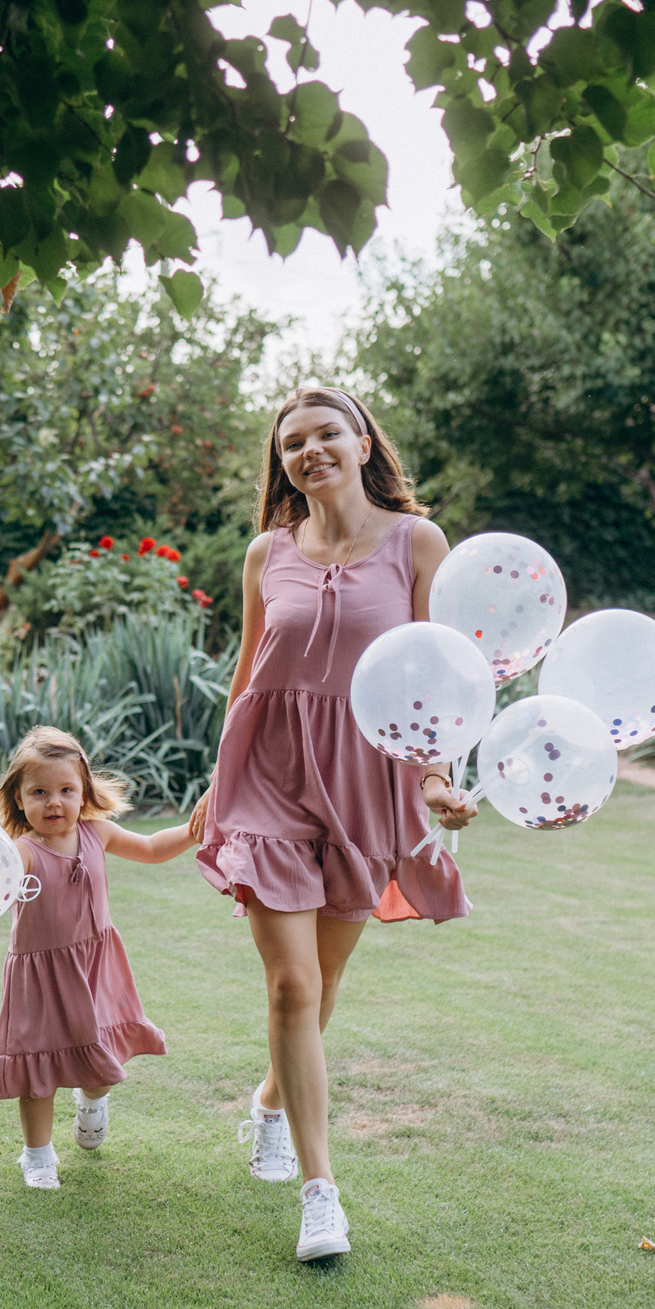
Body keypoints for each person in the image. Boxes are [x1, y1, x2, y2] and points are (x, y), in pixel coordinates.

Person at [194, 387, 478, 1260]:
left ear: (362, 443)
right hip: (270, 781)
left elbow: (444, 673)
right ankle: (322, 1193)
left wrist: (436, 775)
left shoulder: (417, 543)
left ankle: (274, 1101)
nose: (310, 450)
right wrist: (217, 781)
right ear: (281, 463)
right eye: (293, 443)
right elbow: (248, 677)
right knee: (291, 985)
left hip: (364, 782)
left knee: (324, 974)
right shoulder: (263, 554)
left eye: (326, 435)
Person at [0, 726, 203, 1188]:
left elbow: (148, 848)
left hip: (94, 968)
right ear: (19, 799)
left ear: (84, 791)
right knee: (37, 1069)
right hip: (41, 977)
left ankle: (92, 1099)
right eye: (39, 792)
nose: (54, 802)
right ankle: (38, 1155)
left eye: (66, 790)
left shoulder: (98, 834)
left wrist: (191, 831)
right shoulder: (23, 852)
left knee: (102, 1056)